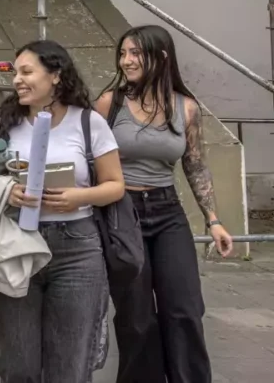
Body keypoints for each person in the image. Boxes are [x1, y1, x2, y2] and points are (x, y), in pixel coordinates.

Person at [0, 40, 126, 383]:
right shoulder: (1, 122)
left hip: (77, 249)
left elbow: (115, 185)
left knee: (70, 363)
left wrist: (79, 197)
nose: (17, 80)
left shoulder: (89, 123)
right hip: (15, 245)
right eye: (15, 73)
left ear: (55, 76)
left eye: (27, 71)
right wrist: (8, 191)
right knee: (17, 361)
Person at [95, 25, 234, 383]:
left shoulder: (186, 108)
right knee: (137, 317)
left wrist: (213, 220)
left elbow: (196, 164)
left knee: (185, 309)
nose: (125, 61)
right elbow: (89, 161)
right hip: (122, 212)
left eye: (134, 53)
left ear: (160, 58)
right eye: (123, 53)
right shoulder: (110, 104)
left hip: (168, 212)